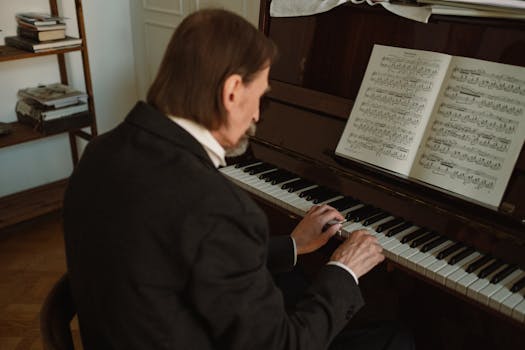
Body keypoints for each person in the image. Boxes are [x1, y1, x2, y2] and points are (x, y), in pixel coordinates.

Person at [63, 8, 413, 350]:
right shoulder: (216, 206)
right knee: (394, 338)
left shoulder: (100, 152)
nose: (259, 114)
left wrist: (292, 245)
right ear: (232, 91)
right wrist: (343, 269)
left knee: (293, 285)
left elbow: (179, 249)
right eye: (259, 95)